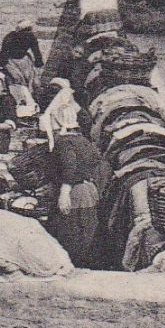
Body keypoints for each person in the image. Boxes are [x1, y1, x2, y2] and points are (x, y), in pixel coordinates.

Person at [41, 80, 103, 266]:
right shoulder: (83, 141)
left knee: (69, 235)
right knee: (86, 234)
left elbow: (69, 165)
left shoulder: (64, 142)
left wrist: (64, 192)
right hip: (89, 192)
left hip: (74, 195)